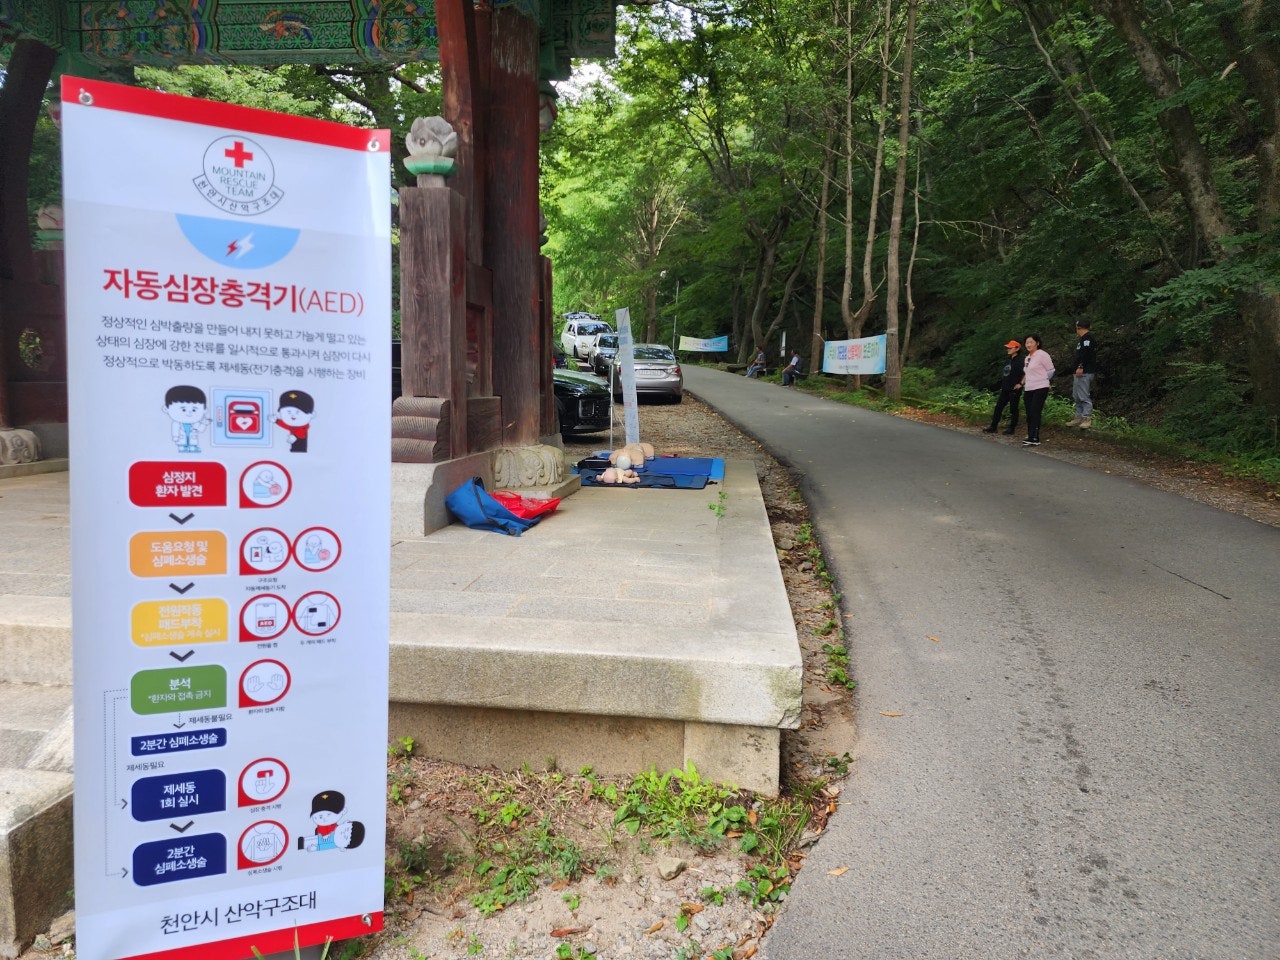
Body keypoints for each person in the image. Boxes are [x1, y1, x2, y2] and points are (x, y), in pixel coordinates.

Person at [982, 340, 1024, 435]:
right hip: (1005, 388)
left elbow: (1027, 372)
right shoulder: (1008, 360)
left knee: (1013, 409)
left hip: (1014, 388)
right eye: (1008, 348)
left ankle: (1011, 429)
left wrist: (1021, 383)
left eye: (1010, 348)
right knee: (998, 407)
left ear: (1017, 349)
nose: (1008, 349)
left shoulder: (1021, 360)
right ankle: (993, 427)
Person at [1019, 334, 1054, 446]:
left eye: (1031, 342)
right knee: (1029, 412)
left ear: (1037, 343)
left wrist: (1045, 380)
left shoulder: (1042, 355)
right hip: (1029, 387)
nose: (1028, 344)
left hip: (1040, 387)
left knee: (1035, 410)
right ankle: (1030, 435)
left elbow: (1051, 370)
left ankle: (1035, 437)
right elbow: (1027, 373)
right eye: (1027, 343)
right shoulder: (1027, 358)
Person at [1069, 319, 1098, 428]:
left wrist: (1081, 366)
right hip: (1077, 372)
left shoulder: (1088, 338)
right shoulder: (1082, 339)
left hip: (1085, 371)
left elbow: (1087, 353)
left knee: (1083, 395)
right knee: (1076, 395)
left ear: (1078, 327)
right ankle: (1078, 417)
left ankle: (1086, 418)